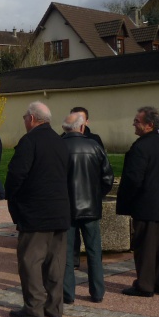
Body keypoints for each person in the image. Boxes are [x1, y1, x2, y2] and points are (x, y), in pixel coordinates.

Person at [5, 101, 70, 317]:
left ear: (32, 118)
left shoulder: (30, 141)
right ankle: (54, 306)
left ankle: (34, 307)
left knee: (31, 261)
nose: (24, 121)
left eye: (24, 117)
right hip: (60, 210)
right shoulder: (60, 141)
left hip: (35, 212)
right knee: (55, 263)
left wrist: (13, 199)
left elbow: (15, 176)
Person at [116, 106, 159, 297]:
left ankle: (144, 285)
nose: (133, 124)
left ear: (149, 125)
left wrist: (127, 200)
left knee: (146, 247)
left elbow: (133, 179)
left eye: (137, 121)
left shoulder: (141, 147)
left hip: (147, 205)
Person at [61, 112, 114, 304]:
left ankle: (68, 293)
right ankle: (97, 291)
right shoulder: (94, 146)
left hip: (66, 207)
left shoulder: (59, 147)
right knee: (94, 251)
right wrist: (95, 196)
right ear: (82, 127)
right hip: (90, 207)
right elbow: (108, 178)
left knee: (66, 253)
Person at [68, 106, 105, 269]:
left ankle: (96, 288)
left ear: (86, 121)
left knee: (93, 245)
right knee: (71, 244)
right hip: (71, 201)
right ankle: (75, 265)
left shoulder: (95, 140)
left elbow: (104, 173)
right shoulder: (63, 140)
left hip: (88, 199)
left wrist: (97, 193)